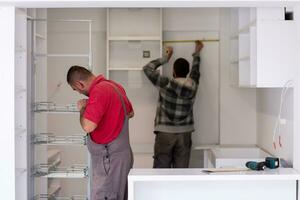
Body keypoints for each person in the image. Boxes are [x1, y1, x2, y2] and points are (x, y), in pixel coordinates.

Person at [66, 66, 134, 200]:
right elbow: (130, 113)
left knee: (105, 196)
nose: (79, 93)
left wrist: (83, 108)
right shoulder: (114, 86)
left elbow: (88, 126)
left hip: (109, 160)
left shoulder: (98, 92)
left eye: (76, 89)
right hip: (122, 157)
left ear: (80, 84)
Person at [143, 40, 204, 168]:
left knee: (161, 171)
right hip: (185, 134)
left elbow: (147, 68)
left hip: (164, 133)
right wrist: (197, 53)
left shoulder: (166, 83)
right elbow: (196, 71)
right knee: (180, 173)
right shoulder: (193, 85)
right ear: (187, 72)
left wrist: (166, 58)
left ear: (174, 71)